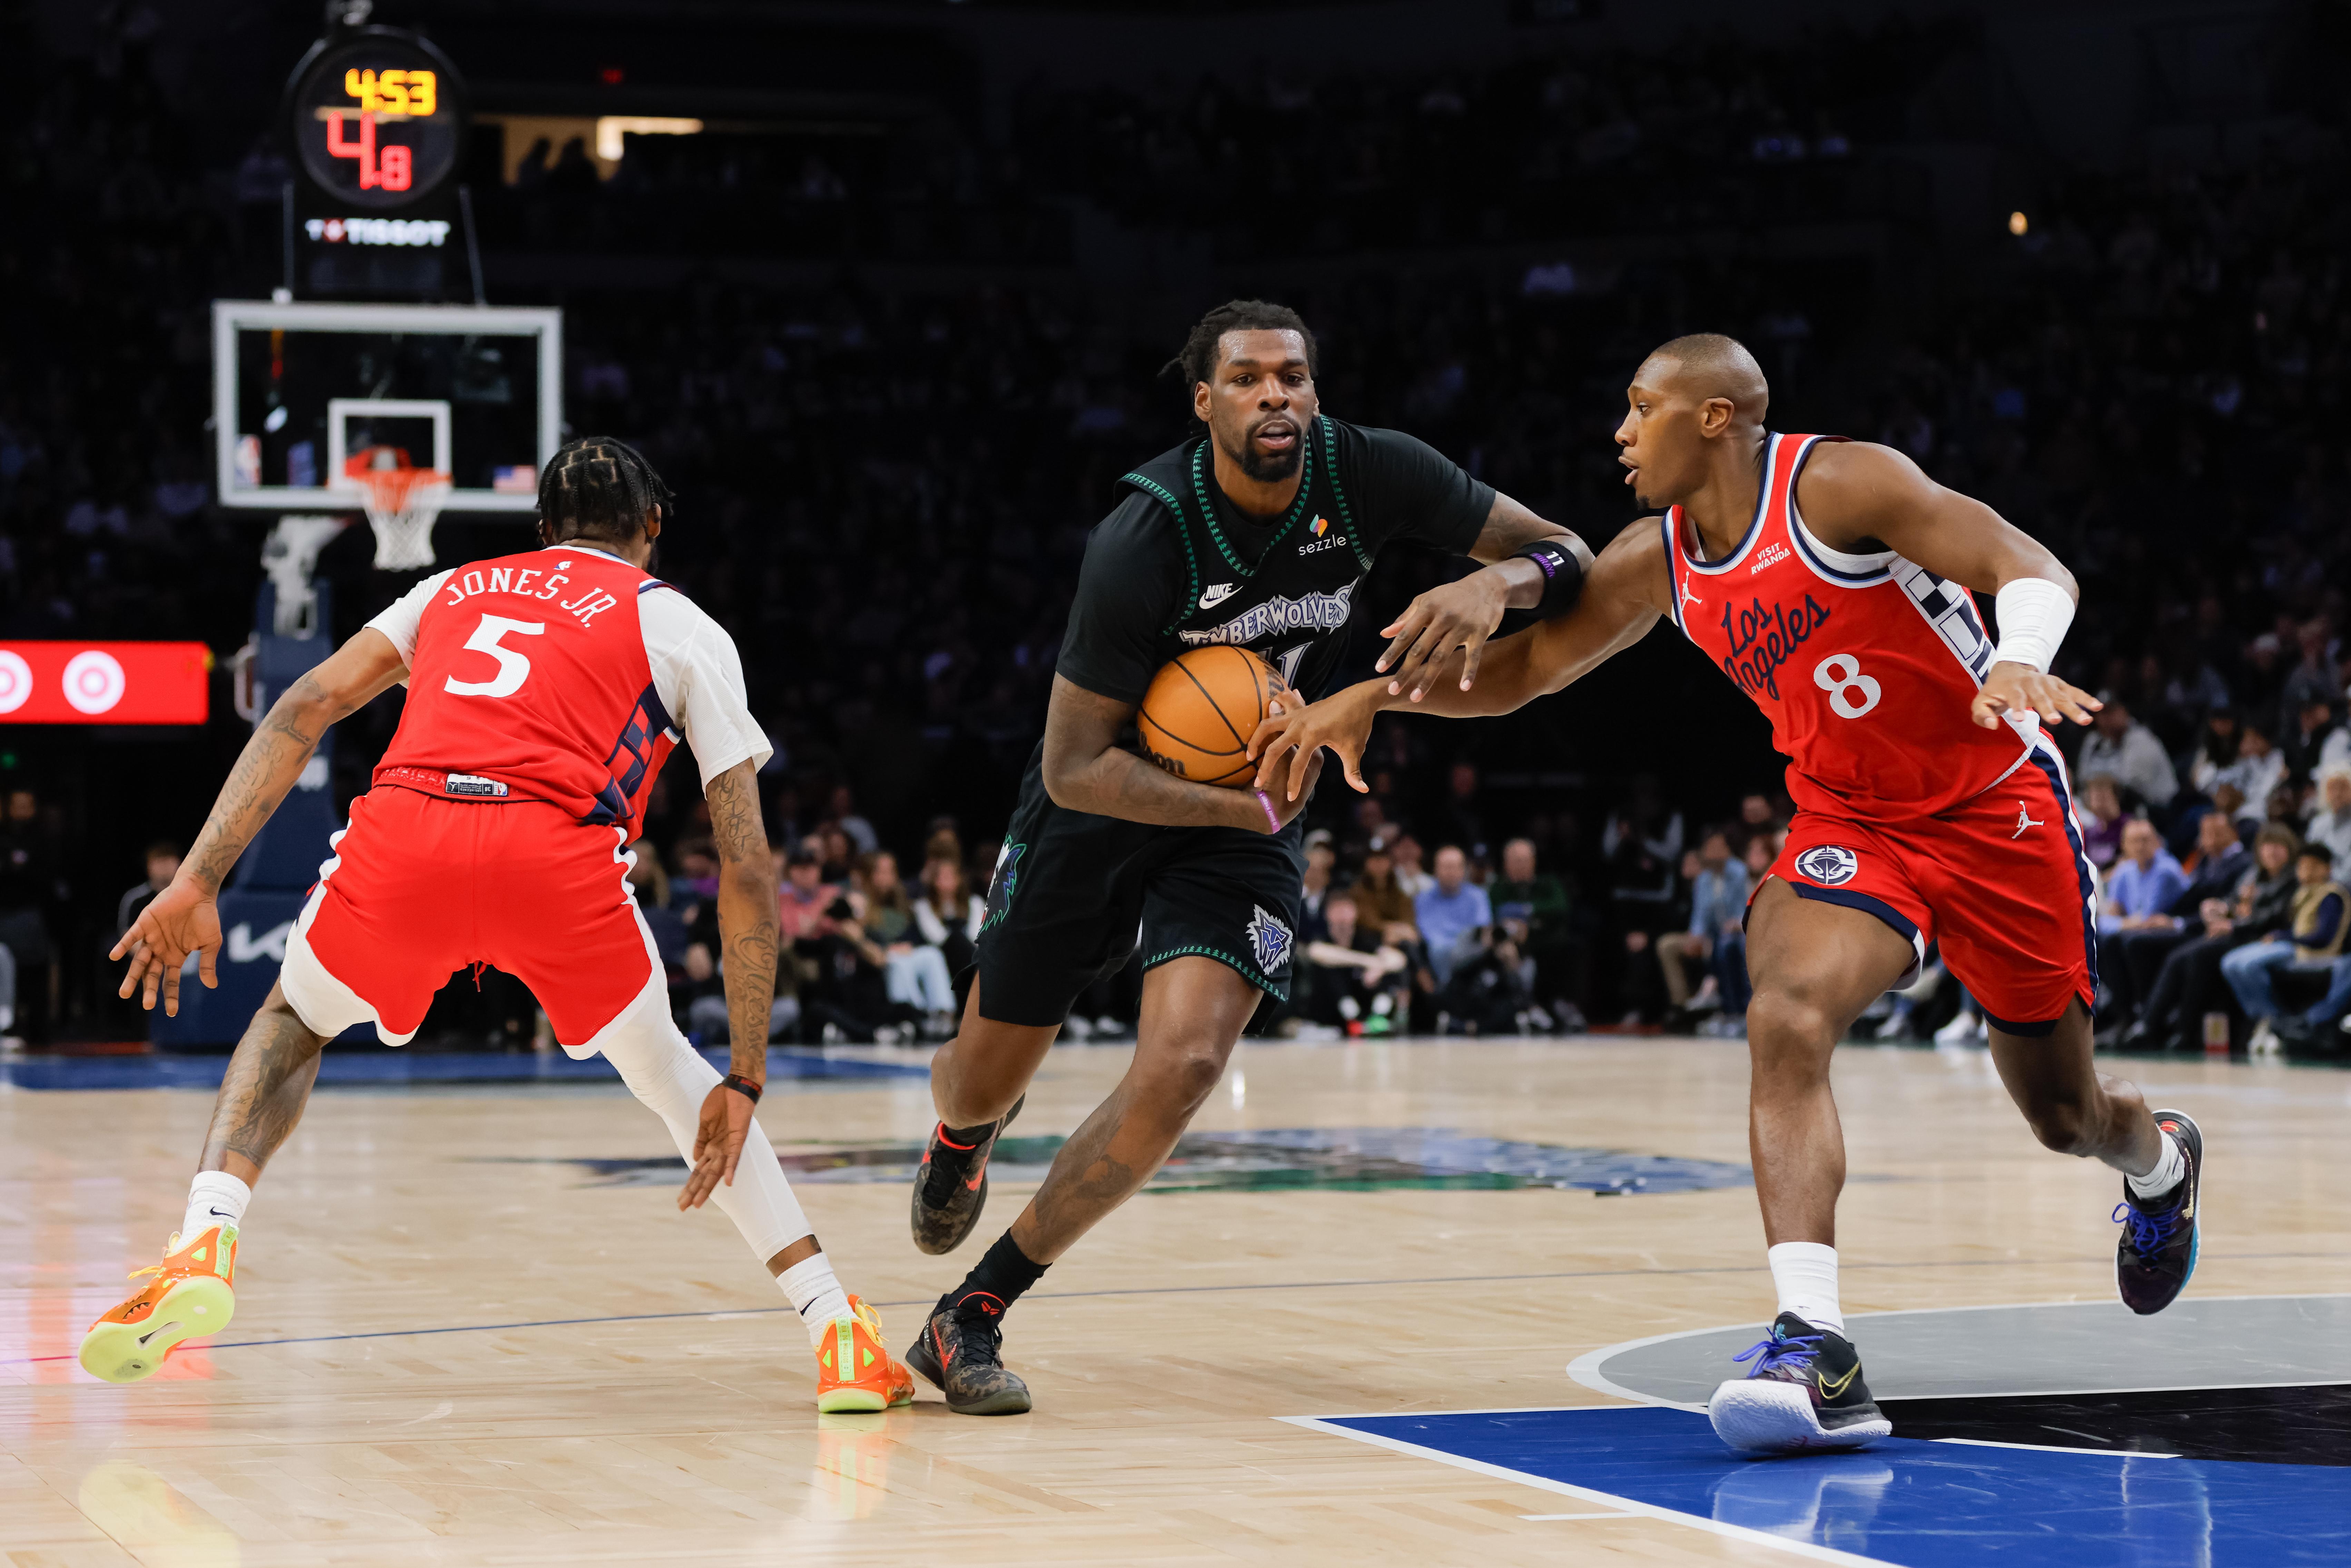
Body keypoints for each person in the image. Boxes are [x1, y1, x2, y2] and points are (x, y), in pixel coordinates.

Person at [1250, 333, 2200, 1457]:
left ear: (1712, 418)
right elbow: (1522, 671)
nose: (1617, 432)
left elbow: (2031, 564)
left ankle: (2159, 1157)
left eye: (1638, 406)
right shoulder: (1654, 558)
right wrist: (1374, 695)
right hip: (1850, 820)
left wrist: (2012, 657)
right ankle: (1815, 1341)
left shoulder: (1843, 482)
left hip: (1996, 808)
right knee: (1784, 1013)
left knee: (2062, 1116)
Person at [87, 437, 911, 1411]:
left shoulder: (450, 590)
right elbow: (745, 860)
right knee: (675, 1082)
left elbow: (306, 703)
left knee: (293, 1020)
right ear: (652, 527)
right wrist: (744, 1071)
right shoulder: (681, 625)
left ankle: (203, 1242)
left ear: (542, 532)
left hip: (410, 838)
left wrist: (197, 878)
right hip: (554, 861)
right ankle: (834, 1333)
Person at [905, 299, 1588, 1416]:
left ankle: (968, 1314)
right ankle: (961, 1134)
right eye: (1250, 378)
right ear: (1204, 400)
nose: (1277, 395)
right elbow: (1075, 764)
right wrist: (1236, 815)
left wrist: (1492, 583)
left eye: (1295, 377)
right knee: (986, 1065)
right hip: (1106, 802)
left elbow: (1565, 550)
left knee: (1181, 1066)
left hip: (1259, 789)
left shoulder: (1371, 473)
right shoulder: (1145, 532)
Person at [2124, 824, 2300, 1050]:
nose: (2271, 852)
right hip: (2235, 932)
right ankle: (2150, 1023)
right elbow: (2234, 902)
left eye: (2278, 847)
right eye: (2266, 846)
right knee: (2178, 957)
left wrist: (2233, 926)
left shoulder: (2292, 880)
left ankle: (2185, 1031)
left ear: (2289, 850)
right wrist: (2219, 909)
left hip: (2257, 937)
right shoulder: (2254, 875)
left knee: (2199, 958)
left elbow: (2273, 917)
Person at [2222, 844, 2348, 1053]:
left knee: (2247, 966)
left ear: (2326, 869)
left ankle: (2274, 1020)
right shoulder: (2302, 893)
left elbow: (2321, 938)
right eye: (2302, 866)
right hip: (2294, 947)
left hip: (2312, 953)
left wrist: (2284, 936)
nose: (2306, 871)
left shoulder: (2331, 895)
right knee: (2230, 962)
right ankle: (2265, 1018)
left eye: (2313, 867)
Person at [2095, 818, 2188, 1023]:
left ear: (2157, 842)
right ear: (2124, 846)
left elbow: (2148, 918)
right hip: (2141, 931)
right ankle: (2122, 1014)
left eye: (2146, 840)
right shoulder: (2124, 871)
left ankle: (2144, 1013)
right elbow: (2106, 921)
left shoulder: (2167, 871)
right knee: (2103, 941)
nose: (2140, 847)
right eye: (2134, 841)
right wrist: (2126, 923)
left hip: (2174, 930)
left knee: (2130, 942)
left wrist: (2124, 922)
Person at [1488, 836, 1585, 1029]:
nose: (1520, 866)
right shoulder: (1499, 888)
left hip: (1548, 942)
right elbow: (1496, 912)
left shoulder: (1548, 883)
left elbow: (1560, 907)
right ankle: (1526, 1008)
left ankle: (1566, 1005)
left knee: (1573, 946)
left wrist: (1526, 912)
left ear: (1534, 862)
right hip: (1513, 944)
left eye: (1524, 860)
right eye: (1515, 861)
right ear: (1506, 864)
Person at [1660, 828, 1749, 1025]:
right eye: (1710, 847)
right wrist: (1696, 935)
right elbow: (1700, 915)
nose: (1714, 852)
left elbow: (1742, 910)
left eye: (1719, 847)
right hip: (1710, 935)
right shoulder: (1704, 878)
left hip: (1737, 933)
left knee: (1725, 942)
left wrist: (1726, 929)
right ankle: (1682, 1007)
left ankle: (1719, 997)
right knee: (1667, 945)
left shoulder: (1739, 872)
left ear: (1728, 849)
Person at [1300, 890, 1411, 1032]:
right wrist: (1369, 962)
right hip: (1332, 1011)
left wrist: (1379, 968)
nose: (1343, 916)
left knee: (1392, 974)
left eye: (1347, 910)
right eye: (1338, 910)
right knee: (1330, 971)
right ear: (1328, 914)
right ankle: (1352, 1020)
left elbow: (1399, 960)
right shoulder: (1322, 938)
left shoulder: (1366, 939)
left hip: (1364, 999)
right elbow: (1317, 952)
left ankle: (1379, 1017)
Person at [2078, 696, 2179, 811]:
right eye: (2099, 714)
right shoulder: (2094, 741)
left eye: (2110, 712)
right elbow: (2083, 781)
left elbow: (2130, 789)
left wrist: (2099, 787)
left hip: (2156, 811)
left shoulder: (2142, 739)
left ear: (2124, 711)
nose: (2105, 719)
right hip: (2112, 812)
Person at [1414, 844, 1491, 987]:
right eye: (1446, 867)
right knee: (1437, 950)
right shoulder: (1423, 898)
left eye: (1455, 867)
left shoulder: (1478, 896)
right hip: (1437, 952)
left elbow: (1481, 929)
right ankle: (1447, 992)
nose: (1451, 872)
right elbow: (1425, 932)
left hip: (1471, 951)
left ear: (1464, 870)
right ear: (1436, 870)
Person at [114, 841, 182, 944]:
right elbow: (127, 935)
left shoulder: (192, 896)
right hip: (147, 955)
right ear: (148, 867)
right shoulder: (135, 899)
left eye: (169, 860)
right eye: (159, 861)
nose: (164, 867)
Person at [2303, 761, 2351, 877]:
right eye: (2332, 788)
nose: (2337, 794)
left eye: (2343, 788)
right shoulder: (2318, 824)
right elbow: (2308, 860)